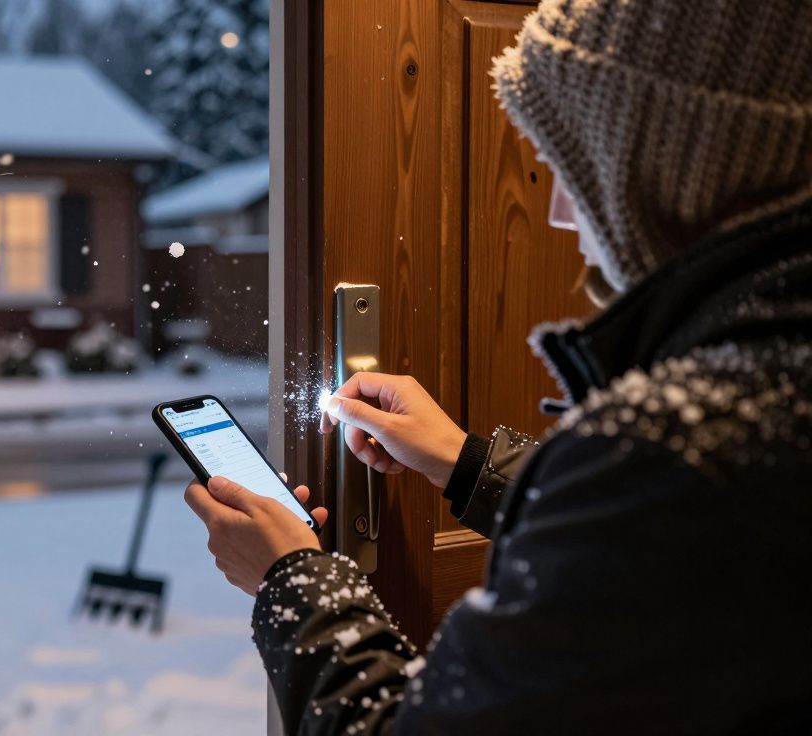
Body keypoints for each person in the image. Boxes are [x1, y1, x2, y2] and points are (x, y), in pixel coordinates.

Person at [184, 0, 812, 732]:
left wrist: (290, 578)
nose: (559, 217)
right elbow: (662, 562)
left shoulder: (685, 452)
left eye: (565, 169)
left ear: (663, 168)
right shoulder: (760, 407)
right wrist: (467, 463)